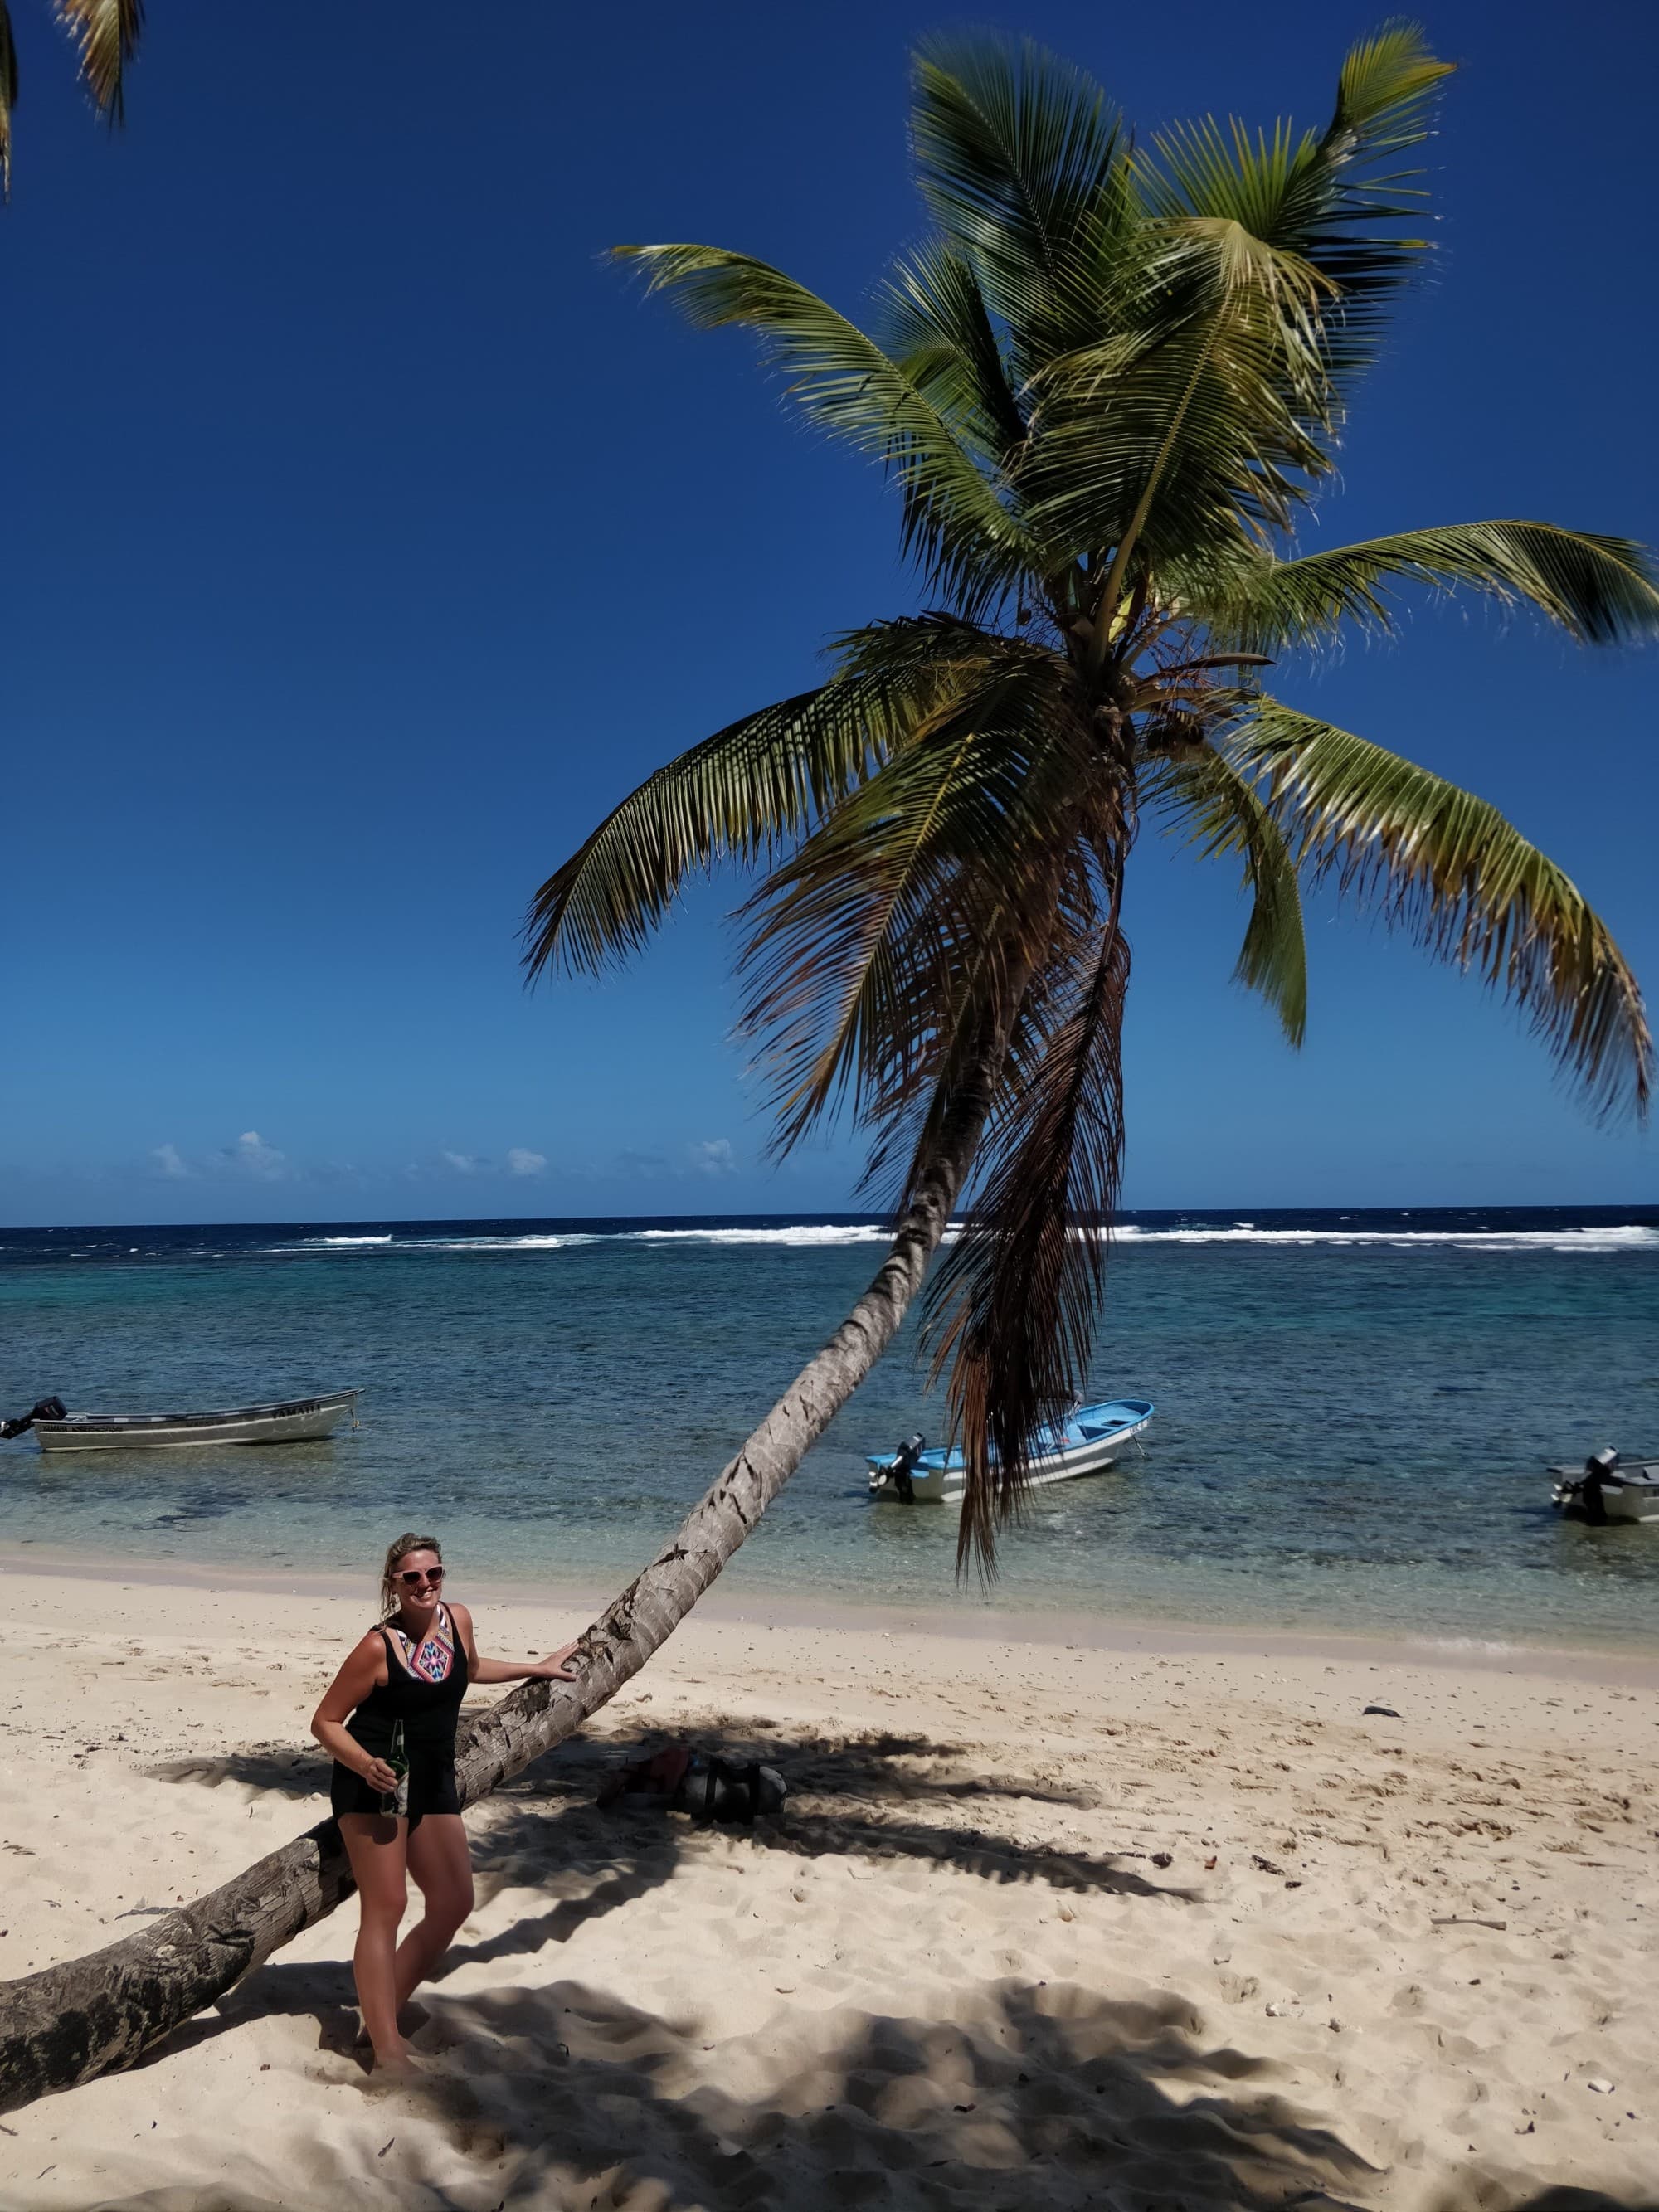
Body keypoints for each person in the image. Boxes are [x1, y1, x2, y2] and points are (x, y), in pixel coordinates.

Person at [310, 1531, 580, 2076]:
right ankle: (387, 2051)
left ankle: (379, 2018)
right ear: (393, 1584)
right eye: (411, 1577)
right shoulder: (377, 1647)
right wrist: (364, 1763)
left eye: (433, 1573)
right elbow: (325, 1721)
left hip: (433, 1777)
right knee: (387, 1905)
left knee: (454, 1901)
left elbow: (472, 1669)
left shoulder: (457, 1620)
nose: (425, 1584)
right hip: (378, 1781)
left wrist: (535, 1667)